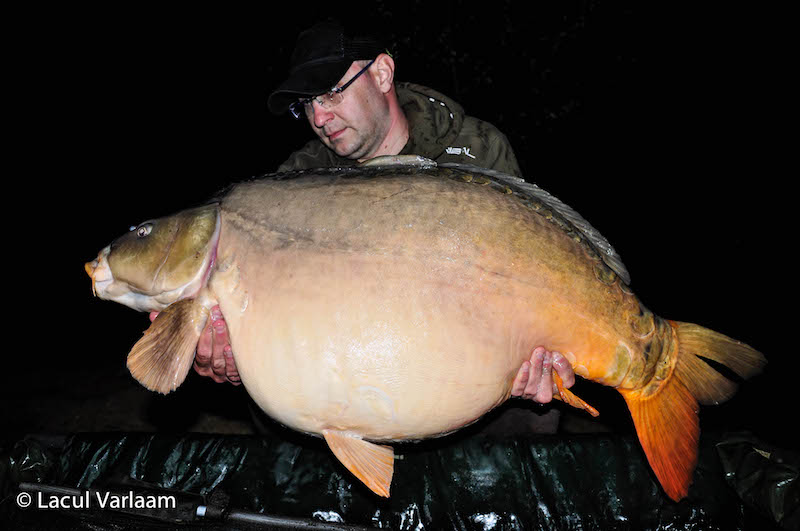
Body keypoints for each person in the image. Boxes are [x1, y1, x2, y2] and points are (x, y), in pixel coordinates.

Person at [183, 21, 576, 430]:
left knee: (534, 415)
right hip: (358, 365)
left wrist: (537, 352)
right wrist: (237, 354)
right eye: (307, 103)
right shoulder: (297, 182)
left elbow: (530, 276)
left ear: (382, 73)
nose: (319, 115)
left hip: (461, 367)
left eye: (332, 91)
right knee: (275, 409)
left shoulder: (475, 149)